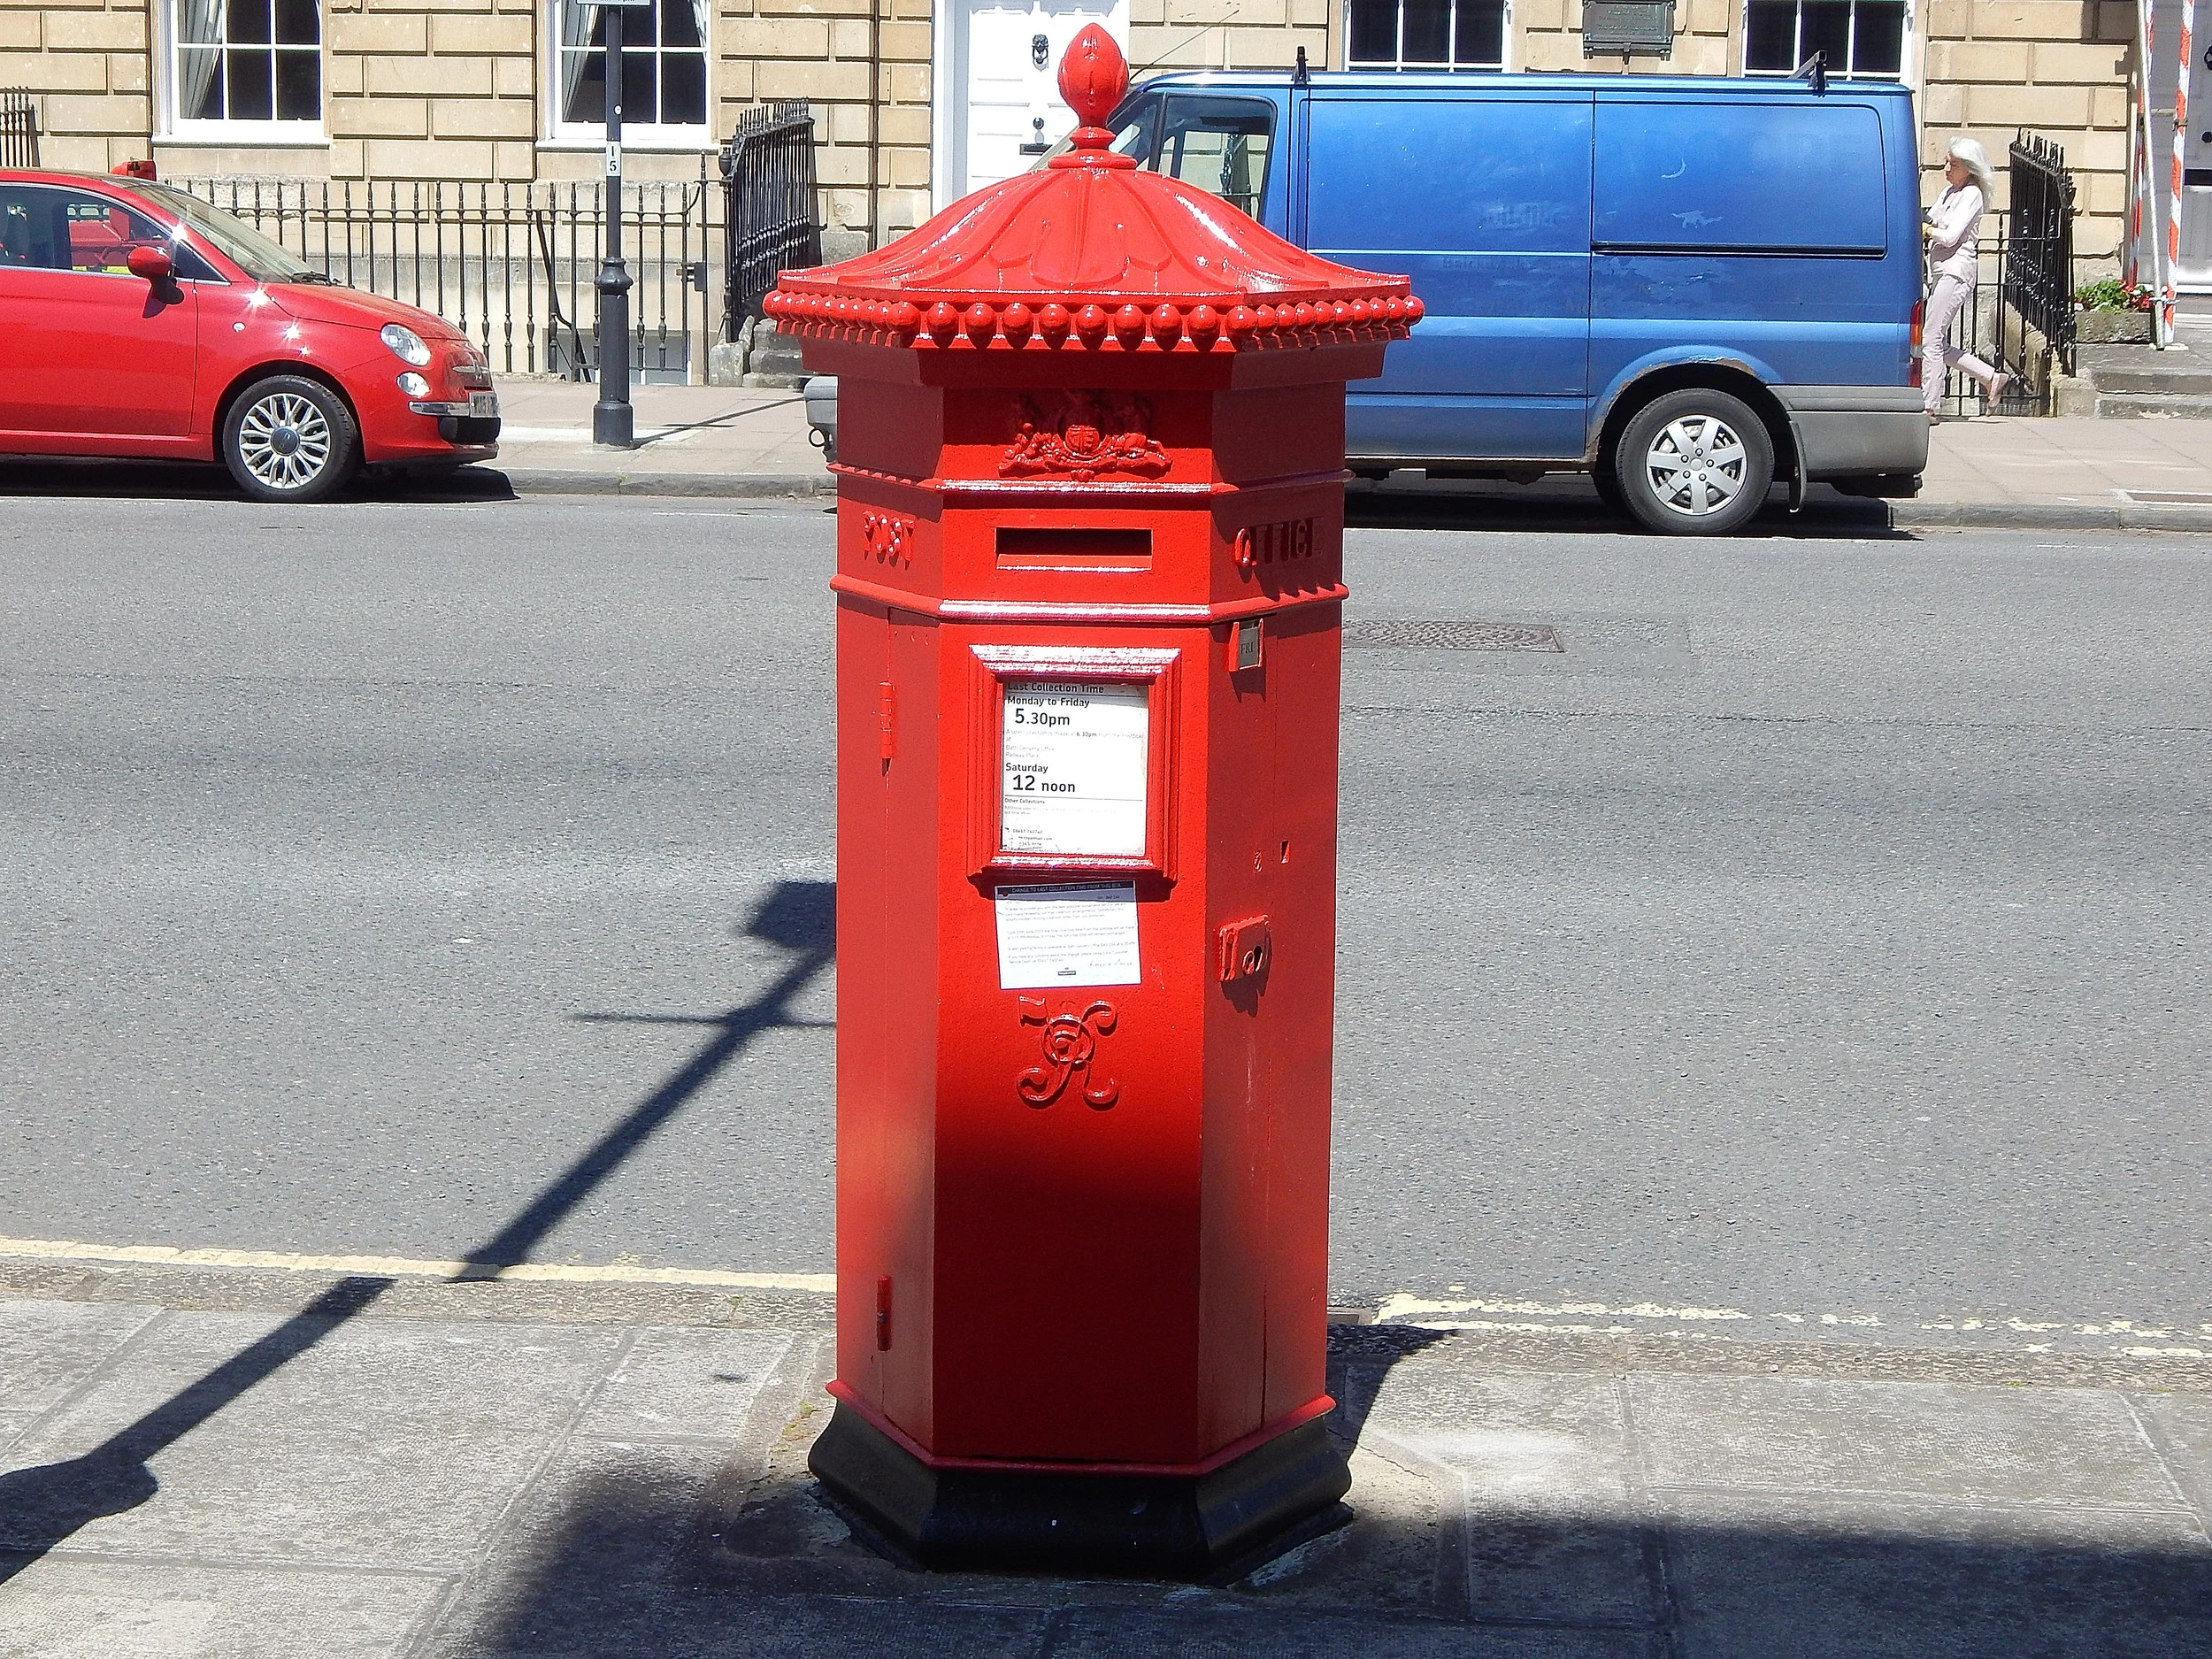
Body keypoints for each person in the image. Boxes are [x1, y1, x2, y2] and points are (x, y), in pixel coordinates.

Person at [1922, 137, 2012, 421]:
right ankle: (1991, 378)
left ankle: (1930, 406)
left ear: (1969, 169)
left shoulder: (1972, 195)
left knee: (1930, 340)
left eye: (1954, 163)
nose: (1946, 167)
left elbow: (1949, 236)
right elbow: (1931, 216)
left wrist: (1927, 231)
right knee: (1938, 343)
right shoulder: (1950, 192)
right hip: (1941, 271)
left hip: (1955, 271)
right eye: (1947, 161)